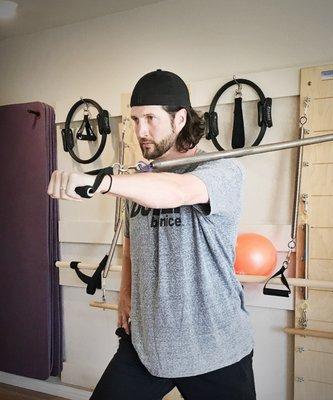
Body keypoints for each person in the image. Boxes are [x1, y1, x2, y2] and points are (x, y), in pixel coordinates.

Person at [47, 69, 256, 400]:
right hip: (146, 345)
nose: (140, 131)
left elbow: (175, 192)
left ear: (180, 118)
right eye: (134, 120)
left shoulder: (222, 171)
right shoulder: (139, 179)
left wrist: (101, 182)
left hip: (215, 347)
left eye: (150, 119)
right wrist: (126, 292)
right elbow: (132, 245)